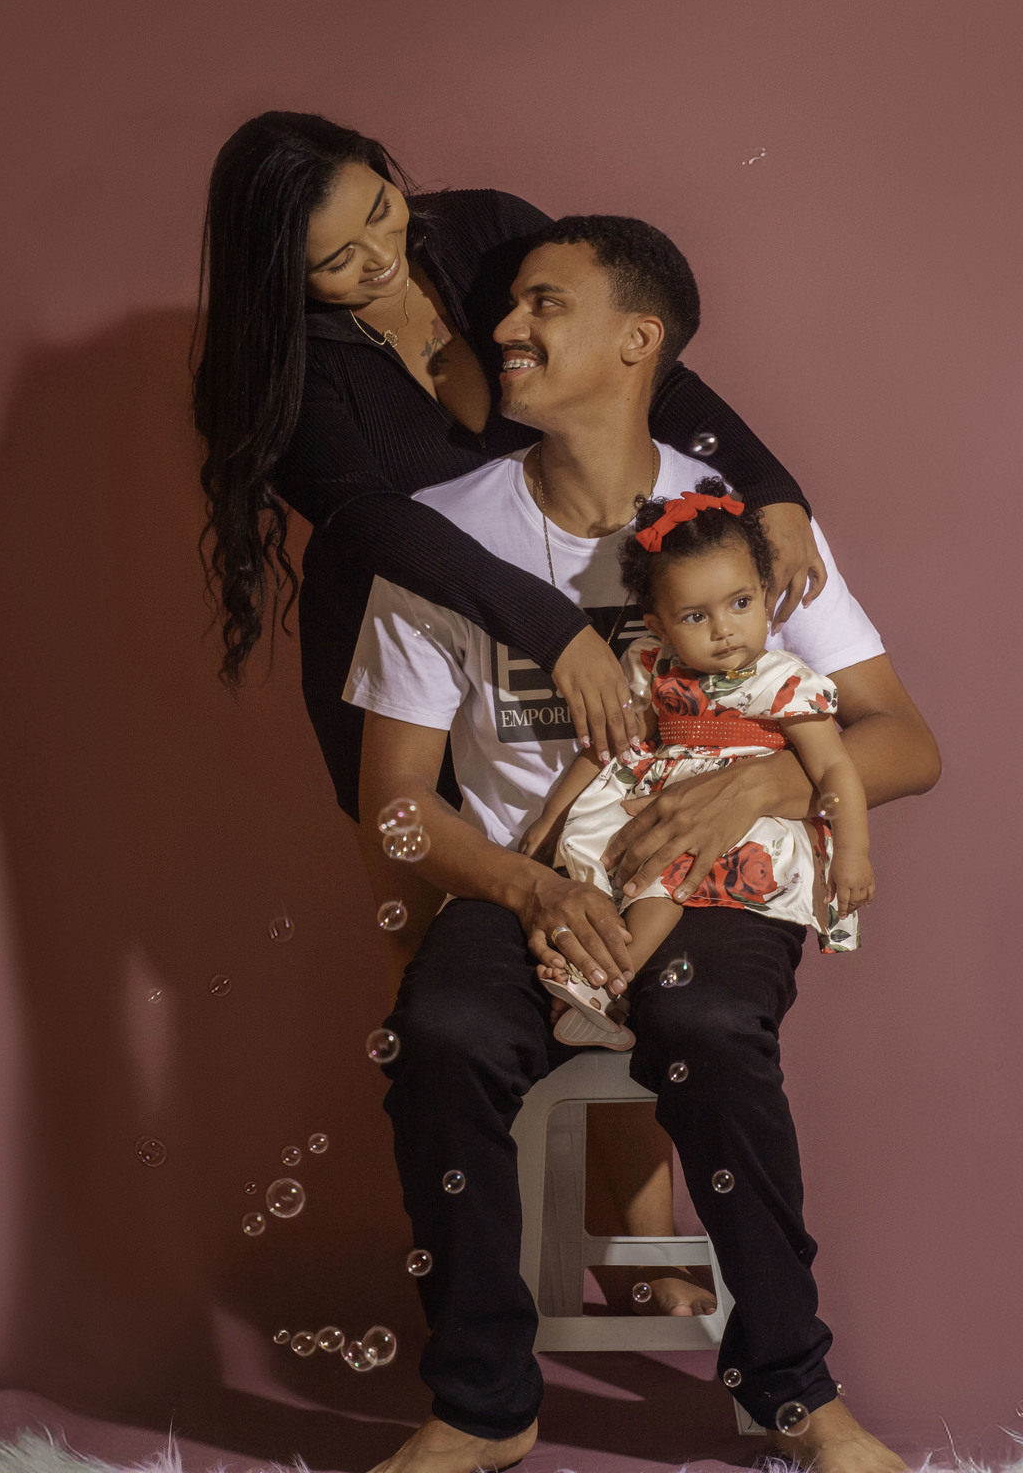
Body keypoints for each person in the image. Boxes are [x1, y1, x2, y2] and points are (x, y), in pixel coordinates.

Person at [192, 111, 823, 1318]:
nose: (381, 258)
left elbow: (648, 364)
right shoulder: (285, 368)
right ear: (281, 279)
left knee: (602, 905)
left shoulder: (482, 234)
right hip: (411, 647)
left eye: (383, 213)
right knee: (455, 975)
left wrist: (772, 486)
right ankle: (489, 1294)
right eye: (337, 262)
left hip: (571, 630)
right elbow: (380, 527)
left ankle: (633, 1236)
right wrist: (550, 628)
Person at [349, 214, 940, 1473]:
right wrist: (525, 889)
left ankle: (795, 1393)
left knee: (708, 1025)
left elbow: (906, 742)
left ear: (638, 340)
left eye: (543, 303)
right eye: (510, 303)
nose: (504, 327)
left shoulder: (748, 534)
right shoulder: (440, 532)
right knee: (443, 1032)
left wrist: (762, 782)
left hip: (714, 887)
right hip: (524, 879)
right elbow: (393, 801)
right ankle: (481, 1405)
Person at [526, 478, 872, 1050]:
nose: (723, 629)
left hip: (739, 820)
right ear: (659, 626)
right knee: (601, 856)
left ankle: (605, 982)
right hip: (660, 799)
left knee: (661, 878)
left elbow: (835, 769)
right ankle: (591, 976)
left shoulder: (784, 682)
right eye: (694, 617)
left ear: (765, 595)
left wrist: (853, 853)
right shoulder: (654, 668)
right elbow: (606, 746)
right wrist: (553, 815)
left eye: (740, 603)